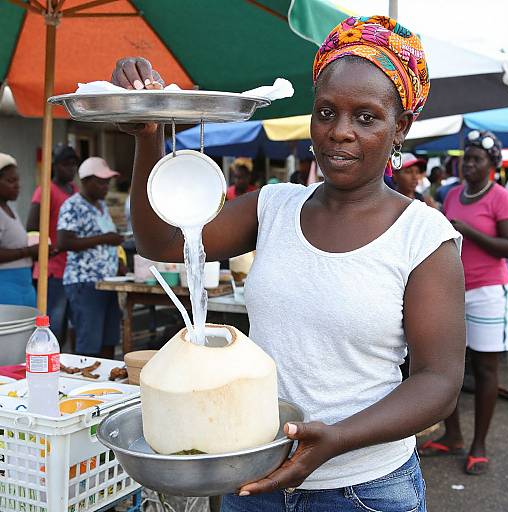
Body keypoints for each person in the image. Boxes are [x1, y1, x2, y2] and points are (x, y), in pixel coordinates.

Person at [113, 16, 465, 511]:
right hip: (254, 474)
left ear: (400, 127)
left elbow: (439, 382)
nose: (339, 133)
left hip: (363, 489)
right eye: (326, 112)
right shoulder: (273, 207)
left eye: (365, 117)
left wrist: (336, 440)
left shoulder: (423, 237)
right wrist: (147, 133)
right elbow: (165, 242)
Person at [421, 130, 508, 475]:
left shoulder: (501, 197)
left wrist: (467, 230)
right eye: (466, 158)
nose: (468, 164)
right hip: (453, 291)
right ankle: (453, 436)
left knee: (486, 370)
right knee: (449, 368)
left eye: (476, 159)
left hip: (489, 291)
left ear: (491, 165)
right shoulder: (453, 194)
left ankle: (479, 445)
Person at [57, 157, 123, 358]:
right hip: (85, 283)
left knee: (109, 337)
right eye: (100, 182)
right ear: (85, 181)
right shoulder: (72, 206)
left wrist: (118, 261)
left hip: (108, 282)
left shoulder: (101, 206)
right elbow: (64, 241)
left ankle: (108, 381)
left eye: (107, 182)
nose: (105, 186)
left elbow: (107, 239)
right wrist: (105, 238)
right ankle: (87, 382)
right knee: (89, 340)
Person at [26, 145, 79, 343]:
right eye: (66, 164)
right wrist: (44, 250)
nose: (71, 169)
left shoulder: (74, 190)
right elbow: (32, 226)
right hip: (52, 268)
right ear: (55, 166)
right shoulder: (45, 190)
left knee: (68, 324)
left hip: (71, 268)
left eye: (74, 164)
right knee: (53, 324)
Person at [0, 153, 39, 306]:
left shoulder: (9, 209)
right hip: (6, 286)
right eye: (11, 181)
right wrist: (29, 251)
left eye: (17, 180)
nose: (17, 185)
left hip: (24, 283)